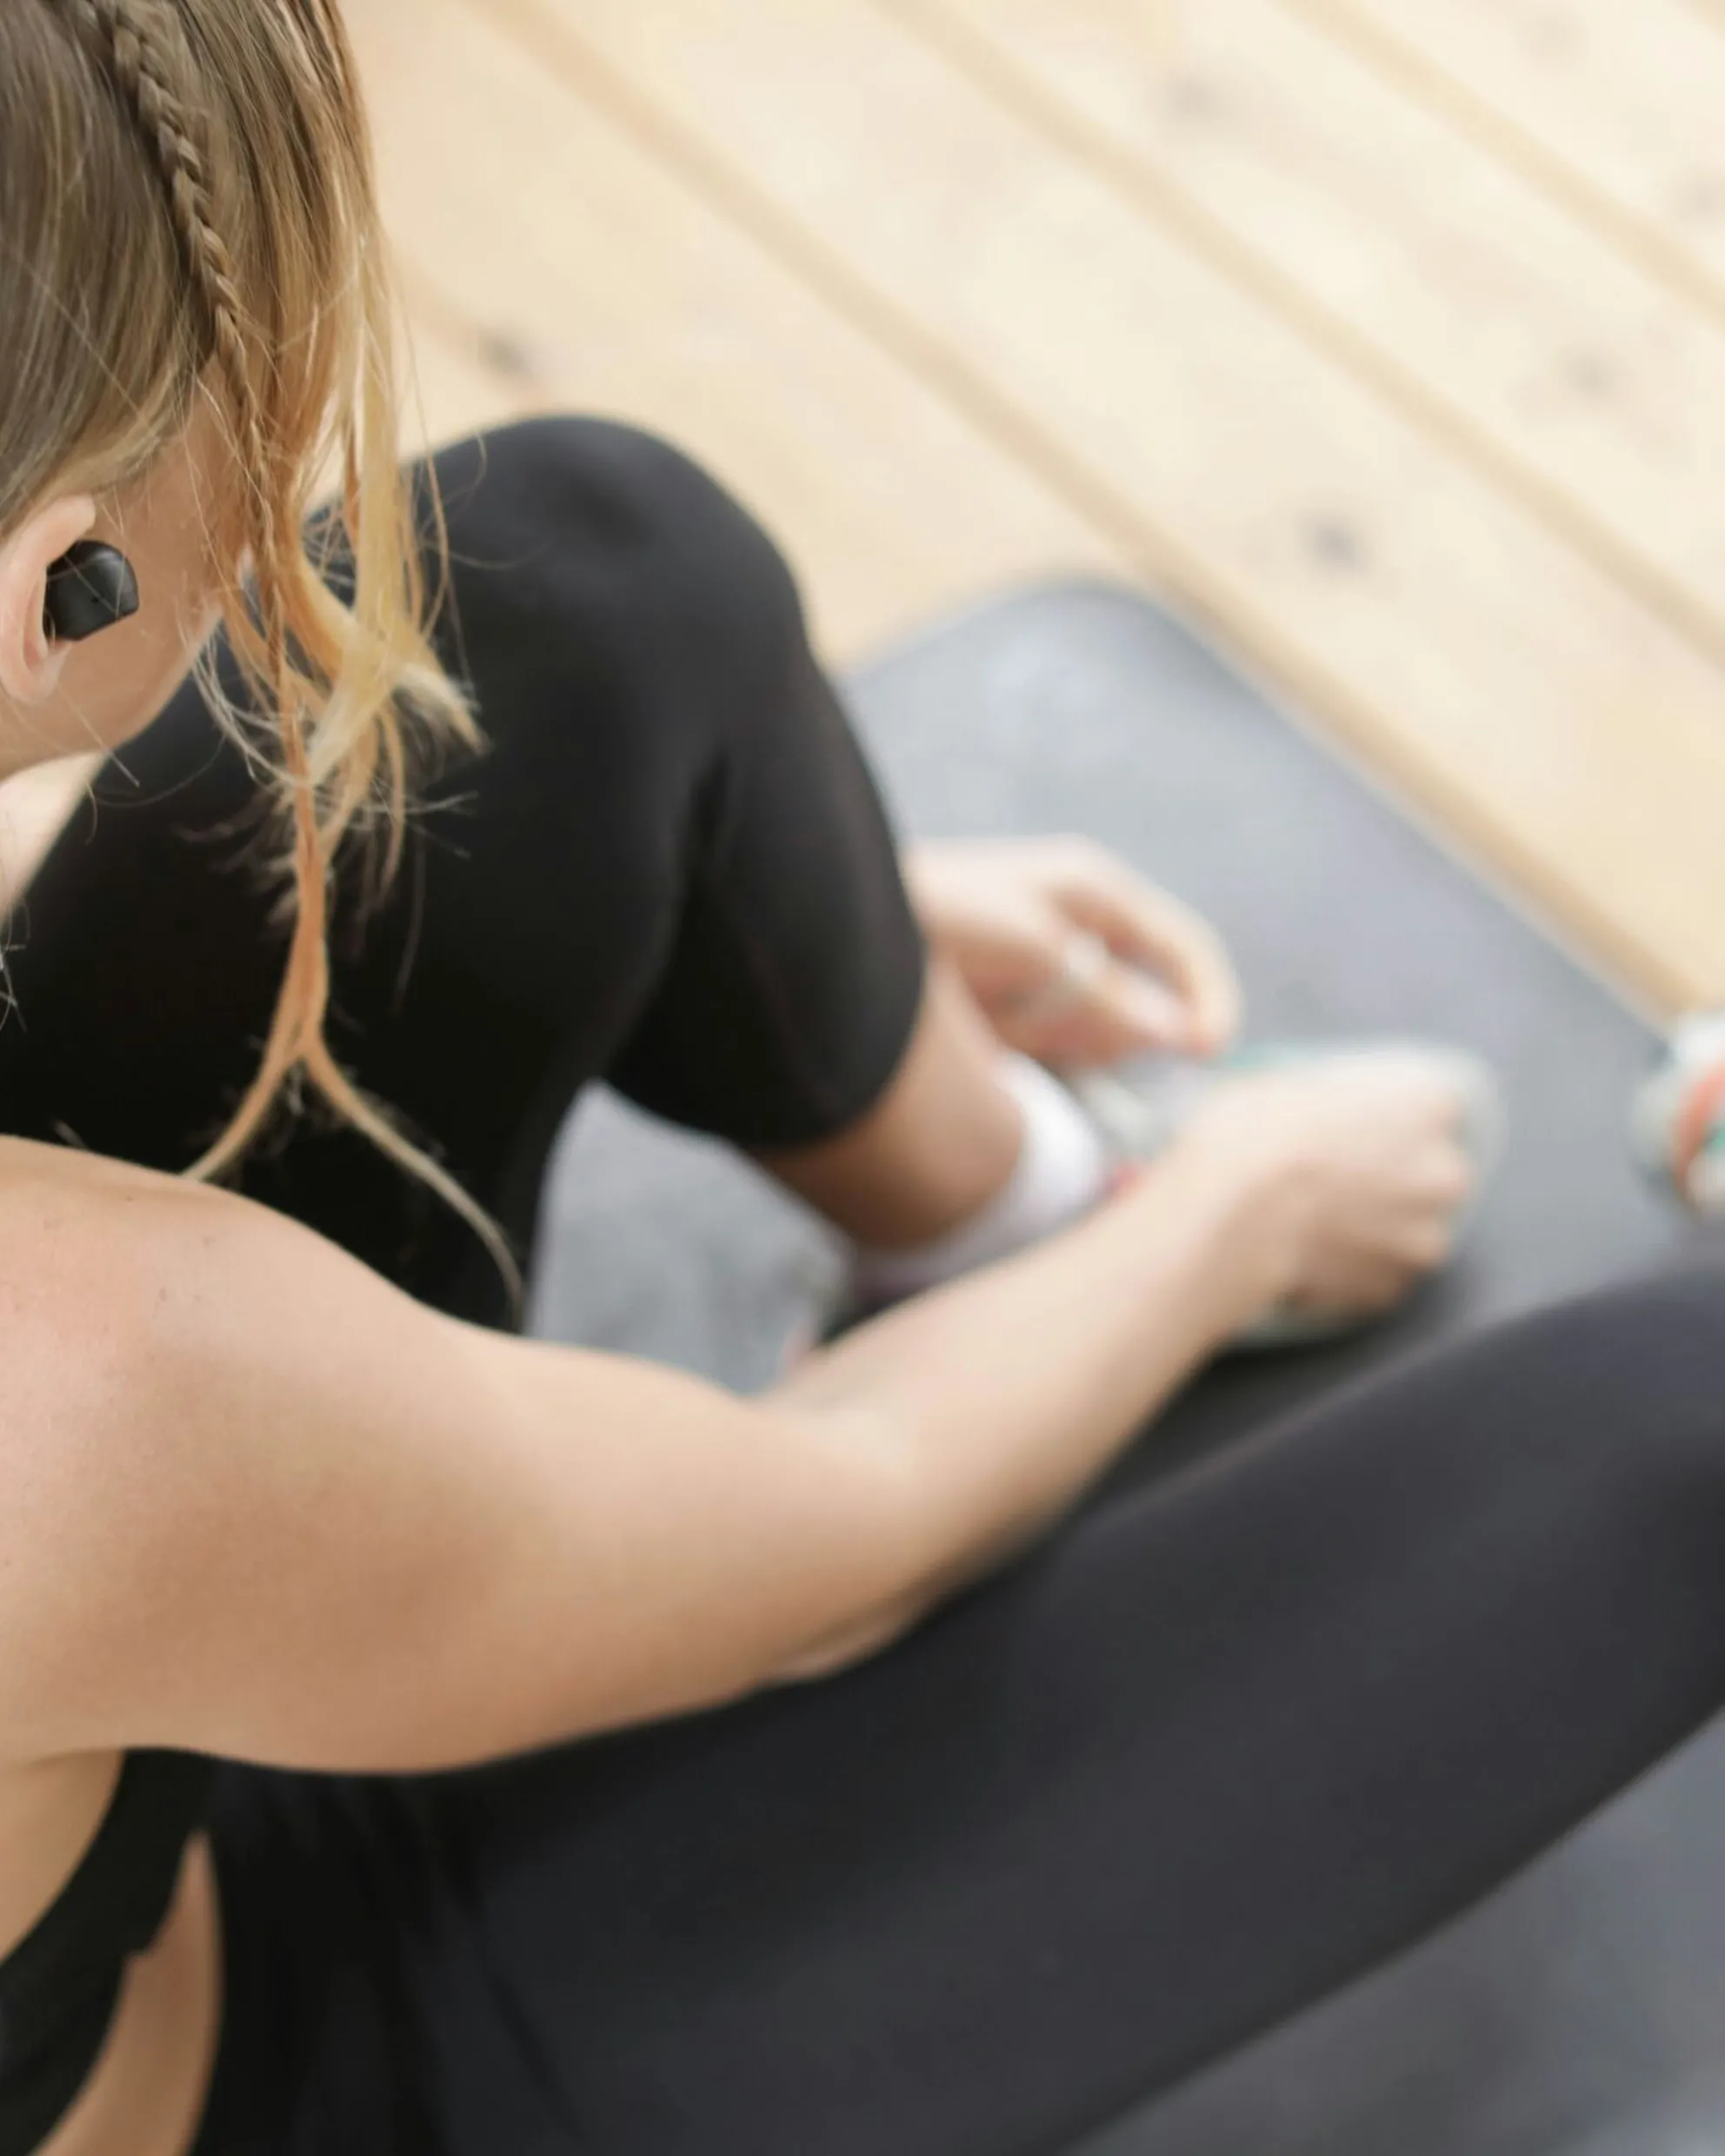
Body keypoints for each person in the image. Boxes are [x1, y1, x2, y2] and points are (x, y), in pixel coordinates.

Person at [4, 7, 1725, 2155]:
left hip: (104, 1672)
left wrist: (805, 898)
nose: (272, 478)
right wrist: (1233, 1220)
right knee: (1685, 1428)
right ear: (40, 583)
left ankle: (1006, 1203)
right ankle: (1108, 1216)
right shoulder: (72, 1397)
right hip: (282, 2072)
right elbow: (842, 1535)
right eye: (224, 416)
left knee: (579, 582)